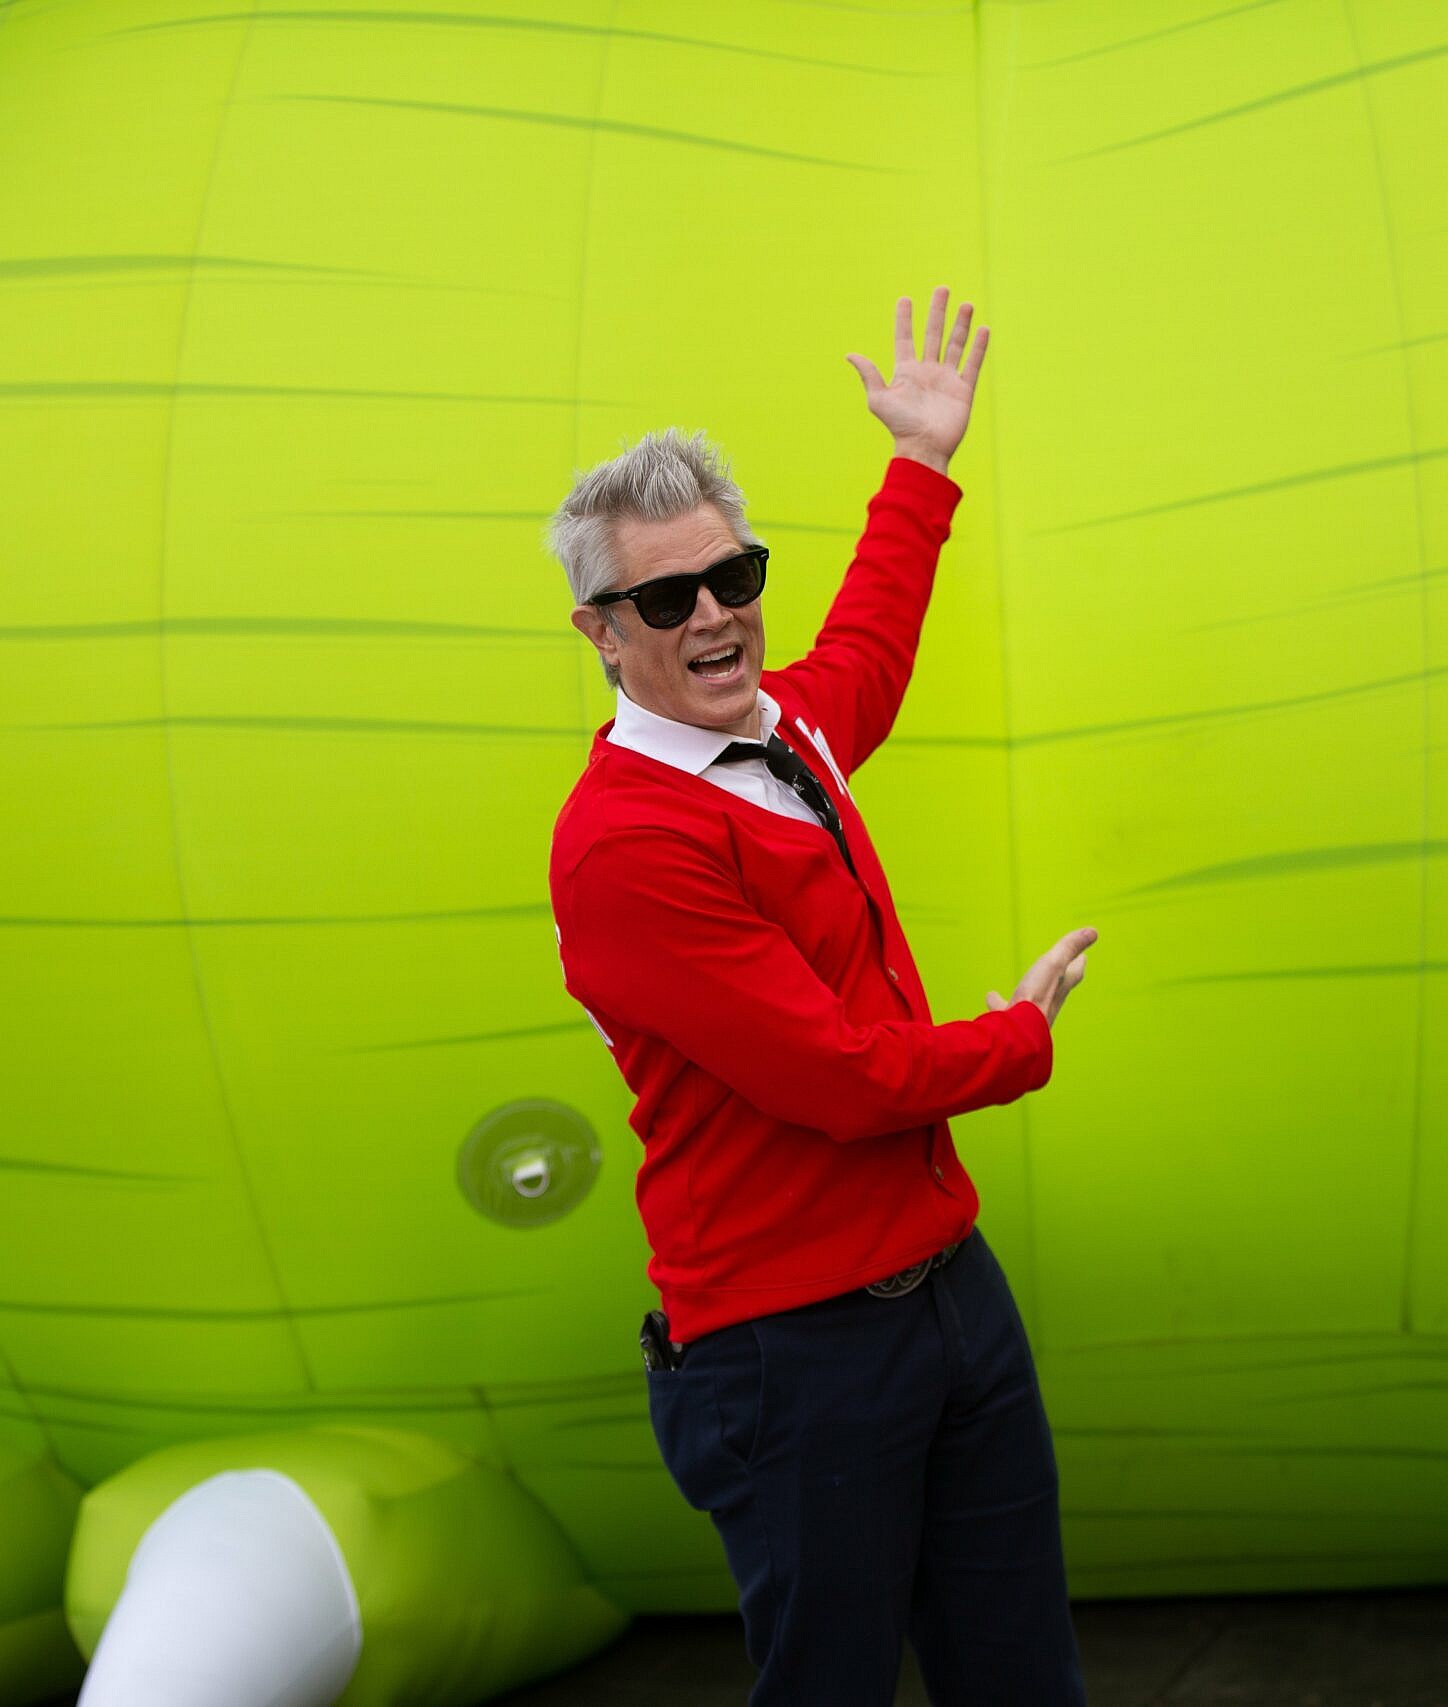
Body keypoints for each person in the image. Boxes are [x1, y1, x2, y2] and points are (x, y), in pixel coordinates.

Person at [544, 288, 1096, 1705]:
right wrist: (1014, 1043)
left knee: (1021, 1675)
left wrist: (921, 466)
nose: (716, 616)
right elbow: (842, 1078)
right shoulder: (627, 845)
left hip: (947, 1298)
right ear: (602, 634)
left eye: (736, 576)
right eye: (669, 599)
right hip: (792, 1356)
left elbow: (868, 654)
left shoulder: (783, 728)